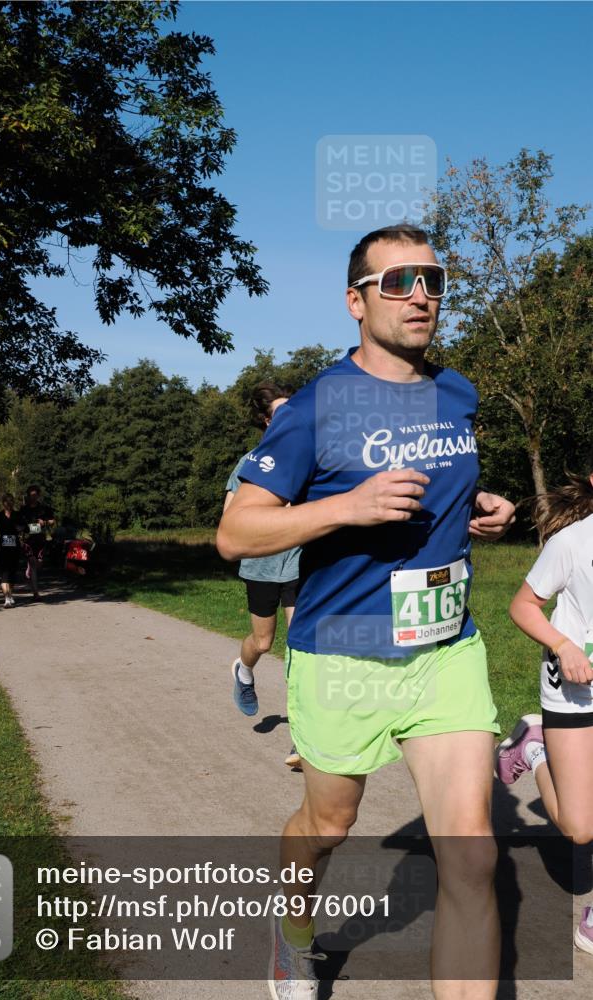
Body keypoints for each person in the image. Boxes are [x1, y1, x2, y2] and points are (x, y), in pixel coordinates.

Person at [217, 224, 516, 1000]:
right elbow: (236, 532)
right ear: (356, 301)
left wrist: (478, 504)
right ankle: (292, 931)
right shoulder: (315, 408)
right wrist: (346, 508)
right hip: (343, 654)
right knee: (328, 827)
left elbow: (440, 478)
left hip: (446, 648)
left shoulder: (457, 392)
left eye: (432, 280)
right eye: (397, 282)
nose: (420, 295)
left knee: (473, 855)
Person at [496, 449, 593, 955]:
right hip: (576, 691)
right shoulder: (572, 542)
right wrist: (563, 644)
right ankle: (534, 747)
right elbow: (523, 606)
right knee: (581, 828)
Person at [224, 382, 302, 769]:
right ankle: (243, 668)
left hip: (304, 563)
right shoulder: (249, 464)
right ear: (267, 420)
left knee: (304, 648)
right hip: (263, 565)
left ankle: (303, 738)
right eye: (281, 412)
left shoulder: (310, 456)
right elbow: (230, 524)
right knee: (263, 641)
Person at [19, 485, 55, 599]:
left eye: (35, 495)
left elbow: (53, 521)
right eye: (31, 495)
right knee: (34, 564)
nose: (33, 497)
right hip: (28, 539)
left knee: (39, 564)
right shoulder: (24, 509)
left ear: (38, 495)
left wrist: (44, 522)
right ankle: (36, 593)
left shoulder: (44, 508)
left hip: (40, 538)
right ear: (28, 496)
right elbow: (19, 523)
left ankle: (29, 571)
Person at [0, 493, 26, 608]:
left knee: (12, 572)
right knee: (4, 572)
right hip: (2, 546)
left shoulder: (18, 515)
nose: (9, 504)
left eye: (11, 501)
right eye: (7, 502)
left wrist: (21, 528)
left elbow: (26, 527)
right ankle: (7, 598)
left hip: (14, 546)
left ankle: (10, 594)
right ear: (3, 503)